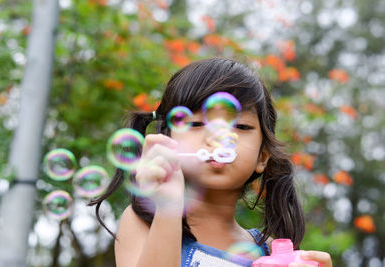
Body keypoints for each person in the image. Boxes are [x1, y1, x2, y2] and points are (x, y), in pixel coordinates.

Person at [89, 58, 332, 267]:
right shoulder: (144, 222)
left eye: (241, 126)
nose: (218, 139)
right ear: (166, 141)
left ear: (262, 157)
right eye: (195, 124)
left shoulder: (271, 254)